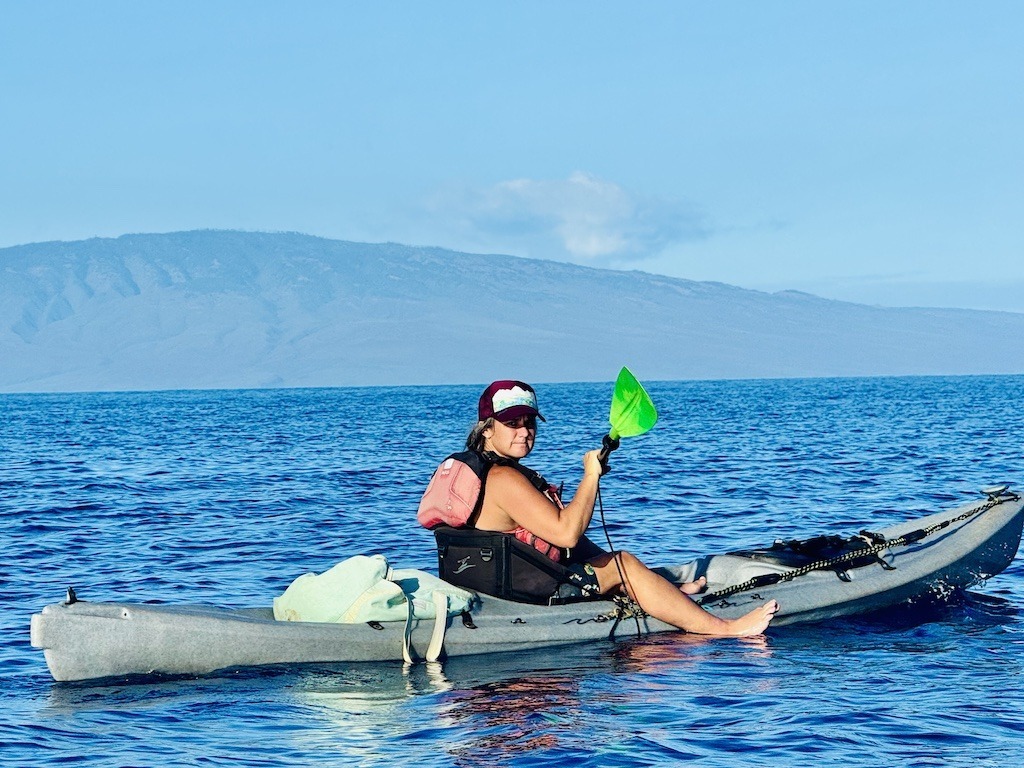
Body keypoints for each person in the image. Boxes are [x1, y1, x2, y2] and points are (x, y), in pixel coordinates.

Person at [460, 379, 778, 637]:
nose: (525, 431)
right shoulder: (503, 478)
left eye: (530, 422)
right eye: (512, 423)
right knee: (621, 562)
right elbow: (567, 533)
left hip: (504, 574)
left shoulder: (484, 469)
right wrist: (590, 476)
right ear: (487, 428)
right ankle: (723, 628)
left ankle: (667, 590)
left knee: (592, 552)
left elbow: (566, 539)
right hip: (525, 589)